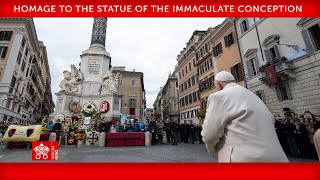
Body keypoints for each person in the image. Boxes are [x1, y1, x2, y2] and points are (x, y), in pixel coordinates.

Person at [201, 71, 288, 162]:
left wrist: (212, 150)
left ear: (219, 85)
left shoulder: (218, 97)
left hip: (244, 159)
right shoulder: (254, 96)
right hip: (276, 158)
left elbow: (210, 135)